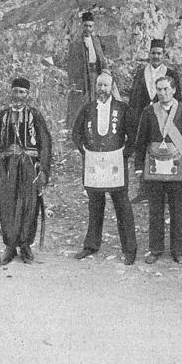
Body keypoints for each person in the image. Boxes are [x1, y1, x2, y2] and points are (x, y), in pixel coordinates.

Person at [72, 72, 137, 264]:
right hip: (94, 165)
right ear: (95, 87)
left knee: (122, 205)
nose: (102, 89)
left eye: (106, 86)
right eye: (99, 85)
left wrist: (123, 154)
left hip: (115, 164)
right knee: (95, 205)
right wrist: (85, 151)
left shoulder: (123, 109)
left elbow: (133, 135)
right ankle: (91, 244)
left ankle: (130, 249)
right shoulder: (87, 109)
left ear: (112, 87)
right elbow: (76, 134)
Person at [133, 76, 182, 264]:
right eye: (159, 89)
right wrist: (138, 167)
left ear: (174, 90)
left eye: (166, 89)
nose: (163, 93)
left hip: (178, 168)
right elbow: (141, 140)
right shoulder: (149, 112)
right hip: (155, 169)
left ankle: (177, 250)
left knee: (177, 210)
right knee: (155, 209)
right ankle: (155, 248)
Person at [0, 77, 53, 264]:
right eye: (15, 91)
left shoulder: (34, 115)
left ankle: (25, 244)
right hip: (8, 166)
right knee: (8, 205)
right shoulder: (1, 115)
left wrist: (43, 169)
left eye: (22, 92)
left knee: (29, 205)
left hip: (28, 166)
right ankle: (10, 246)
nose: (18, 95)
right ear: (11, 92)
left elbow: (45, 143)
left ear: (28, 95)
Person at [126, 38, 181, 140]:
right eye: (153, 53)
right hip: (143, 117)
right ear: (149, 54)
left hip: (164, 116)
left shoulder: (171, 74)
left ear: (163, 55)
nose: (156, 56)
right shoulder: (140, 73)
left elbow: (177, 99)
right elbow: (134, 99)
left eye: (159, 54)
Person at [66, 11, 108, 128]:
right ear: (82, 25)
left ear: (93, 26)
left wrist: (105, 71)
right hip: (83, 76)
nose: (88, 28)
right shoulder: (76, 43)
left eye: (90, 26)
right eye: (86, 25)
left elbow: (101, 58)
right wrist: (72, 82)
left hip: (96, 74)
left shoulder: (96, 41)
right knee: (83, 101)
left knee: (98, 99)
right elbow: (71, 65)